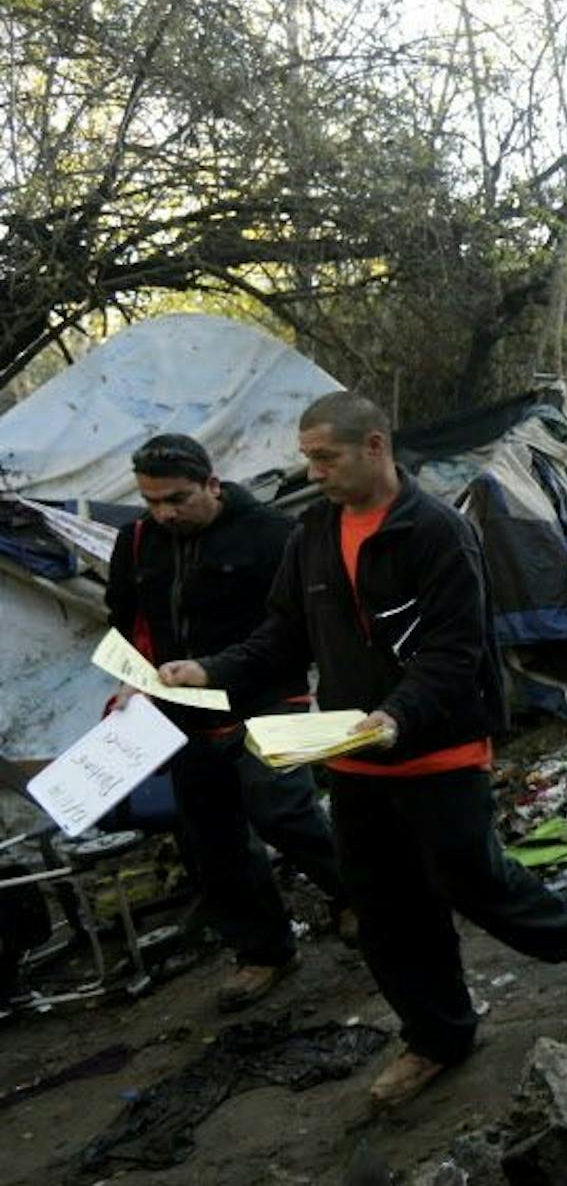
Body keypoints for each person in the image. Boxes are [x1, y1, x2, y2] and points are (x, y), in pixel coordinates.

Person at [159, 392, 567, 1109]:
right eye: (308, 458)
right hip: (352, 754)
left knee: (473, 880)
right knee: (384, 907)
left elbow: (454, 649)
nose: (313, 472)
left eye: (326, 457)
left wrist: (395, 716)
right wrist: (212, 668)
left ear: (374, 447)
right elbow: (284, 632)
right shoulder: (312, 532)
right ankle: (437, 1035)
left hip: (435, 745)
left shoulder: (435, 531)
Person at [106, 434, 347, 1013]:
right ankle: (262, 950)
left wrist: (223, 670)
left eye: (177, 499)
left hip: (266, 693)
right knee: (208, 834)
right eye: (152, 501)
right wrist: (130, 681)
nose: (164, 513)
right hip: (180, 707)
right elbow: (127, 618)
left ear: (213, 484)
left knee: (281, 808)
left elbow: (297, 627)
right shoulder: (137, 541)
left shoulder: (270, 535)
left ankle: (361, 897)